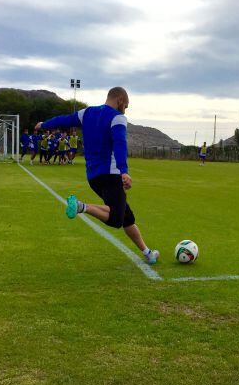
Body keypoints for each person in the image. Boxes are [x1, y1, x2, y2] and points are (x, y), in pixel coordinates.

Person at [35, 87, 160, 265]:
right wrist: (124, 170)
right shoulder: (117, 117)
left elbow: (64, 120)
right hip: (111, 175)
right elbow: (119, 144)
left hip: (93, 177)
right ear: (120, 100)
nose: (125, 109)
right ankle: (81, 206)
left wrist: (44, 125)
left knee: (126, 217)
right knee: (116, 218)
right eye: (126, 105)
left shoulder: (86, 113)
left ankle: (148, 253)